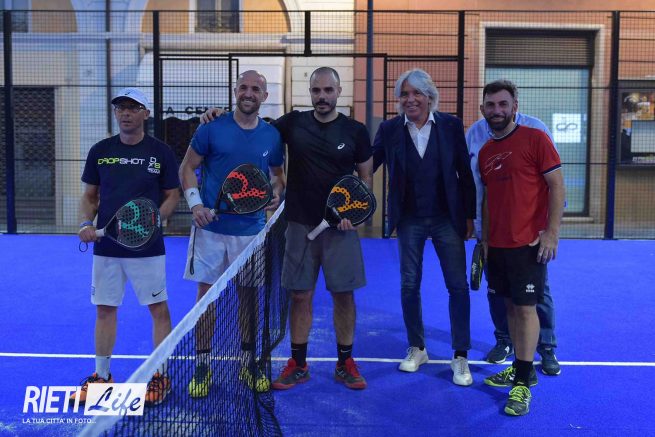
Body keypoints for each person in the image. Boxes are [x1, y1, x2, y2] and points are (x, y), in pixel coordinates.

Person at [202, 67, 373, 390]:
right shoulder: (293, 123)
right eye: (316, 90)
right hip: (298, 225)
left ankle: (345, 362)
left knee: (343, 295)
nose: (322, 96)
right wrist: (219, 115)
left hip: (340, 230)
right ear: (311, 92)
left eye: (328, 90)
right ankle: (298, 364)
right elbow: (252, 124)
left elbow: (365, 178)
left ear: (339, 92)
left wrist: (356, 213)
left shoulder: (356, 131)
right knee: (300, 295)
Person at [179, 70, 285, 397]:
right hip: (210, 230)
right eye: (243, 87)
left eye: (255, 89)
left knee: (248, 297)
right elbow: (187, 168)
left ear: (264, 96)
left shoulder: (272, 136)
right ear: (235, 90)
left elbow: (278, 175)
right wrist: (196, 204)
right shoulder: (211, 128)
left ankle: (247, 361)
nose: (248, 93)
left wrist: (276, 192)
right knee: (206, 298)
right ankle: (202, 365)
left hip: (251, 231)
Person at [72, 87, 180, 406]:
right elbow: (90, 196)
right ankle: (102, 377)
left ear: (146, 113)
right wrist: (85, 223)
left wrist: (156, 220)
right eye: (121, 108)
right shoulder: (100, 151)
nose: (126, 113)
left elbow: (172, 194)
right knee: (105, 309)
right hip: (107, 249)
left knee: (158, 310)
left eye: (133, 107)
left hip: (147, 248)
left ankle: (160, 376)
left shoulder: (161, 152)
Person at [372, 69, 476, 386]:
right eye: (404, 94)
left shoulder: (451, 125)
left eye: (417, 93)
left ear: (430, 96)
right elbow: (367, 165)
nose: (410, 99)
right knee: (409, 285)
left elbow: (465, 173)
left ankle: (460, 355)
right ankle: (417, 348)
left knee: (457, 287)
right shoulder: (389, 129)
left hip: (447, 218)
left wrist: (469, 217)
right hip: (409, 219)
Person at [477, 80, 565, 416]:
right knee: (511, 308)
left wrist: (551, 233)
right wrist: (486, 240)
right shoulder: (485, 152)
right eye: (491, 105)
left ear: (515, 107)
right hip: (498, 245)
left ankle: (524, 382)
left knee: (527, 309)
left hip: (528, 243)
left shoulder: (536, 139)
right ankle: (519, 366)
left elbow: (557, 185)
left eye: (503, 104)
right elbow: (488, 199)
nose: (497, 110)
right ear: (483, 109)